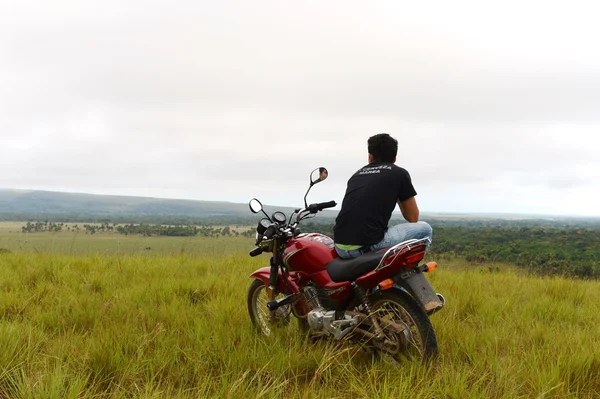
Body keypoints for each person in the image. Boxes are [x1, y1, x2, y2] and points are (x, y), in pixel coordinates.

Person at [333, 133, 432, 259]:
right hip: (368, 246)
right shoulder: (399, 173)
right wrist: (397, 192)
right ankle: (410, 273)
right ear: (394, 158)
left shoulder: (356, 175)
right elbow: (413, 217)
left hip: (339, 246)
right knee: (425, 229)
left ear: (370, 157)